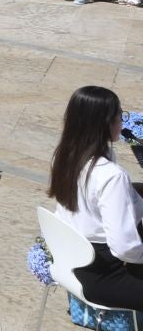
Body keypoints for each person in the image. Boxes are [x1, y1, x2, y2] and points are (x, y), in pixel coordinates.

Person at [48, 84, 143, 312]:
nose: (122, 120)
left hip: (76, 259)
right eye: (119, 115)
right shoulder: (111, 176)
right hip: (106, 275)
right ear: (104, 124)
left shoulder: (64, 156)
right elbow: (124, 248)